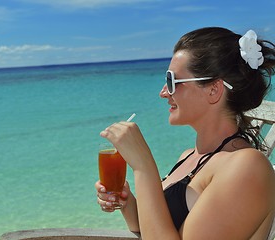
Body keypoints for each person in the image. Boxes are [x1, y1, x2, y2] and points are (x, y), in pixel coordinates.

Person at [95, 27, 275, 239]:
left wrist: (143, 167)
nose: (163, 92)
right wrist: (126, 201)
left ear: (213, 90)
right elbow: (154, 229)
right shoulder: (189, 157)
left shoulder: (247, 167)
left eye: (171, 81)